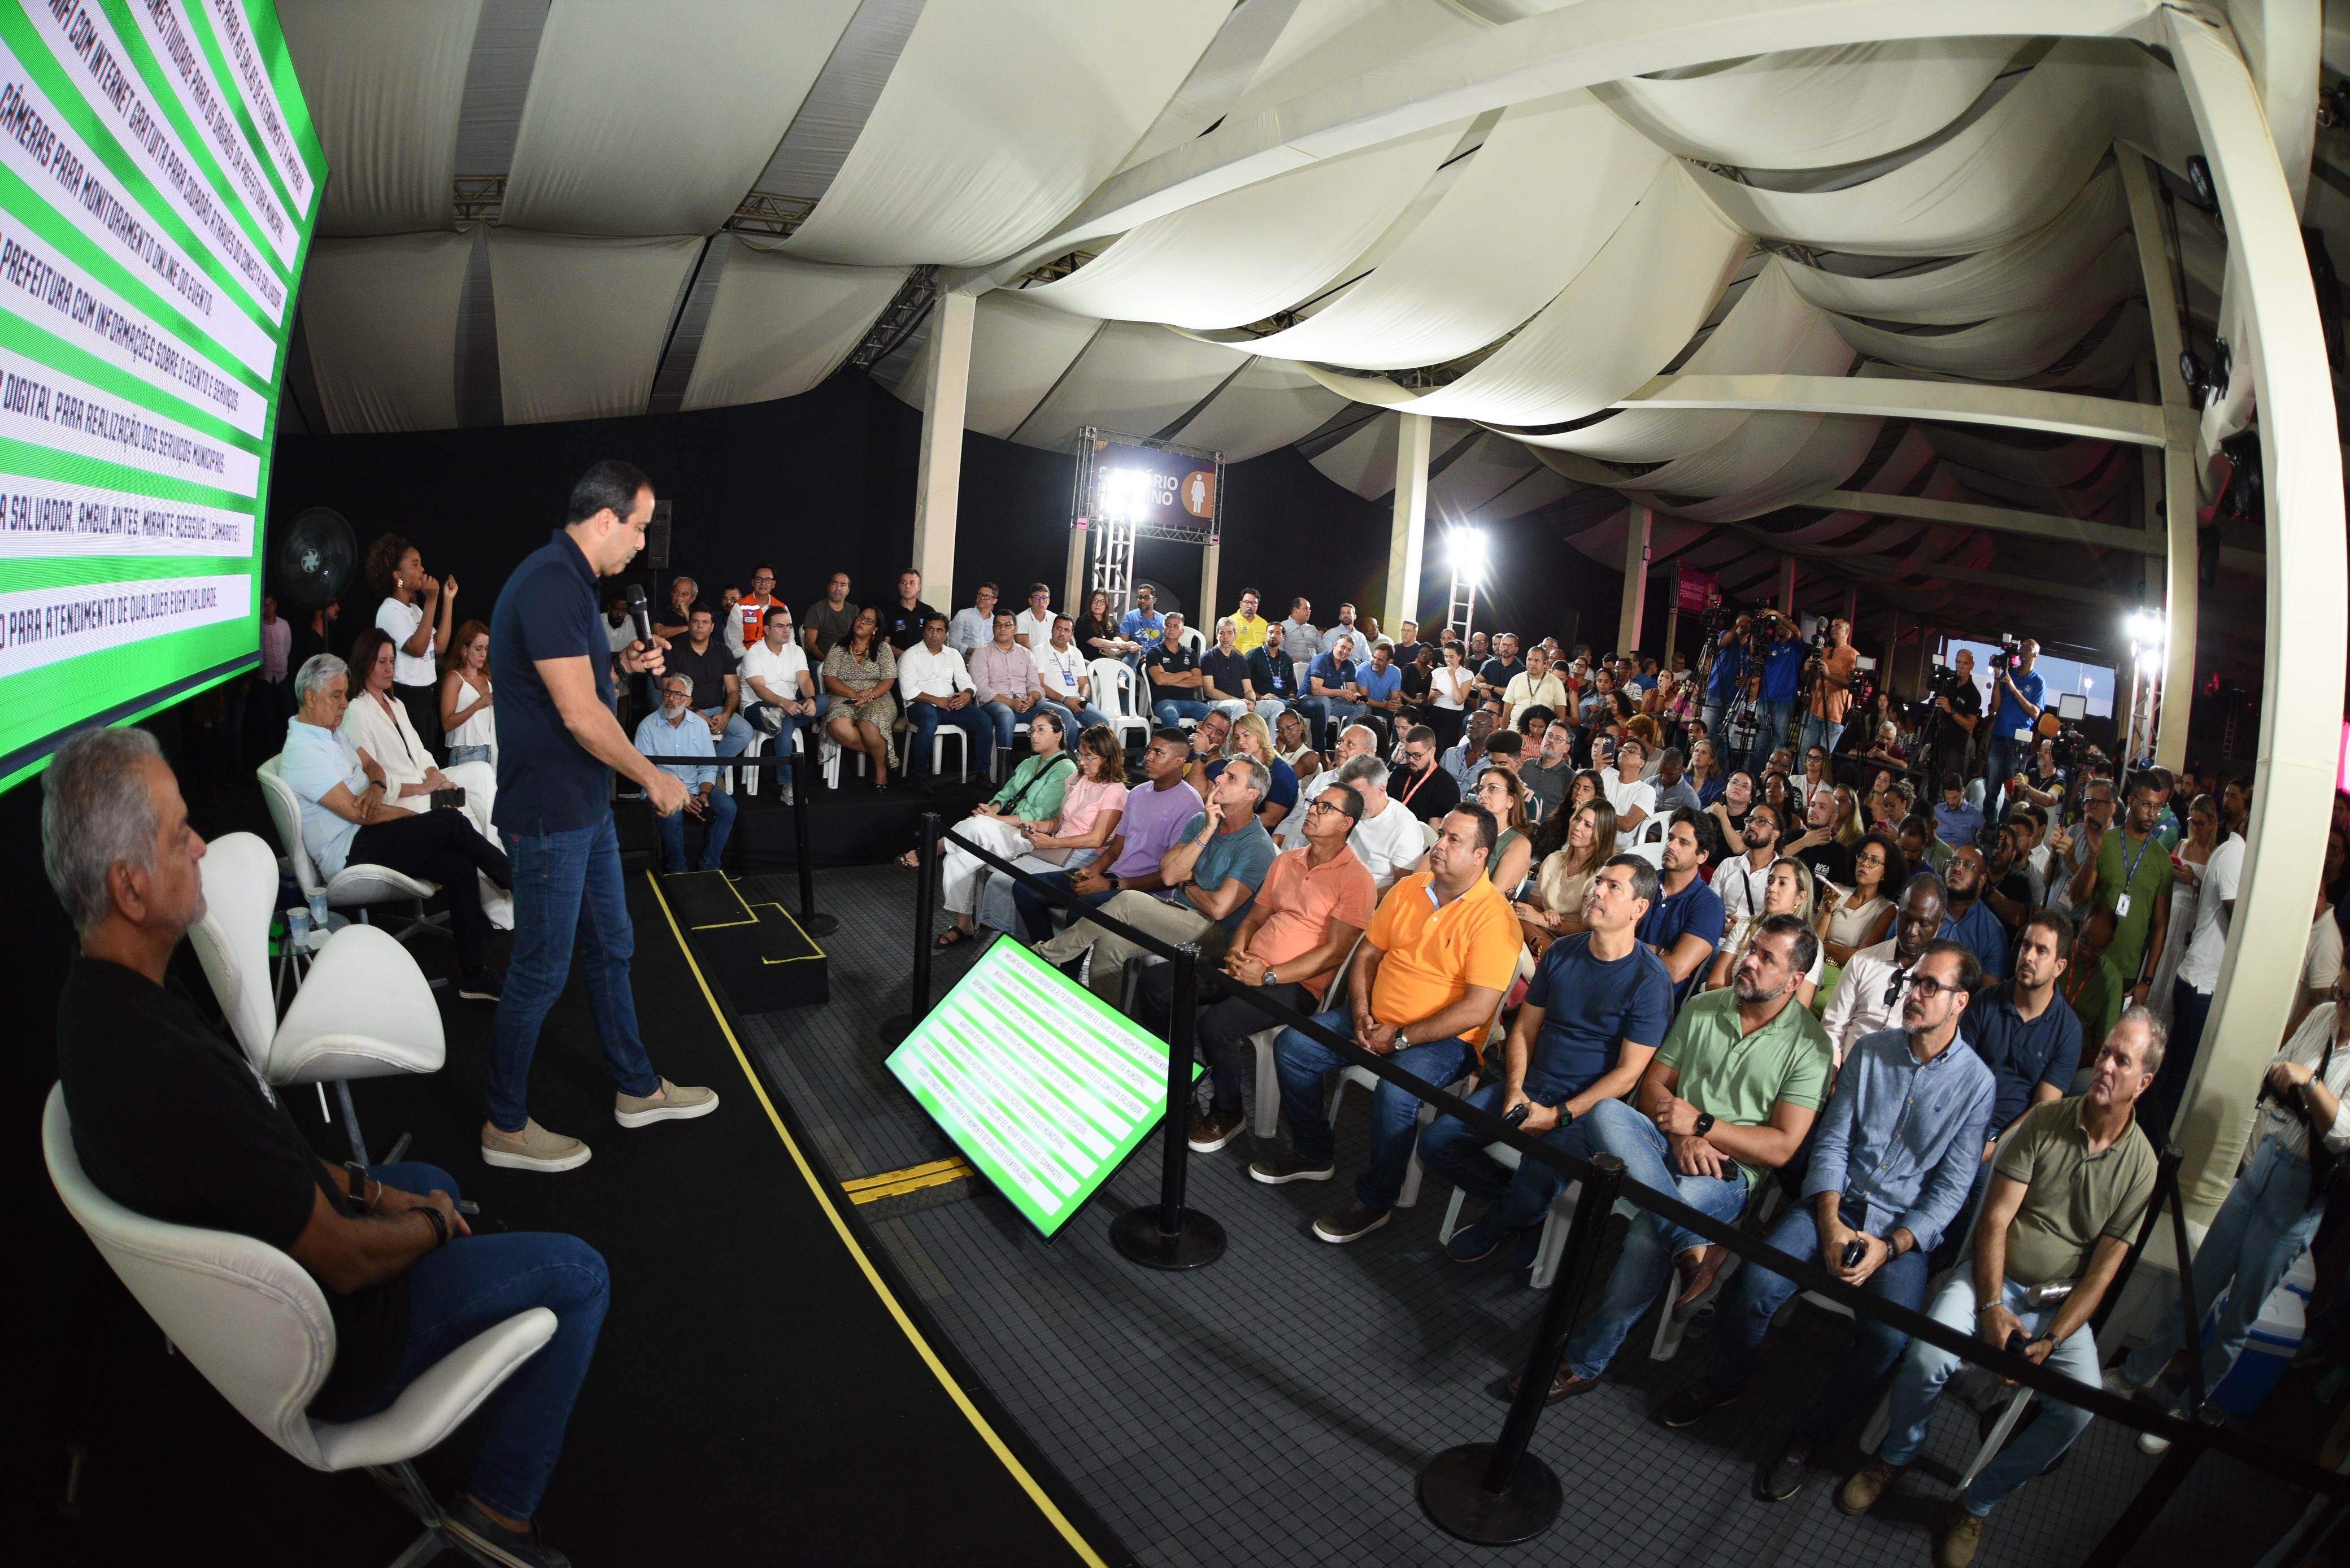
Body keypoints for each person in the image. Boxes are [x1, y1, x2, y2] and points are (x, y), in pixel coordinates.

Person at [44, 728, 607, 1568]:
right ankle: (500, 1516)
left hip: (269, 1285)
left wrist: (384, 1196)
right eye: (178, 835)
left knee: (415, 1175)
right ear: (130, 887)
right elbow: (341, 1259)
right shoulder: (177, 1074)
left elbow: (276, 1168)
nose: (202, 845)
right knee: (578, 1275)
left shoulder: (96, 1008)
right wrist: (428, 1228)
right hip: (330, 1338)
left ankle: (461, 1299)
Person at [1664, 941, 1994, 1504]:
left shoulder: (1976, 1084)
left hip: (1898, 1231)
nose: (1913, 993)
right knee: (1752, 1284)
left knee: (1888, 1336)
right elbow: (1833, 1142)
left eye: (1929, 986)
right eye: (1913, 981)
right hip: (1833, 1202)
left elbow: (1949, 1192)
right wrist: (1829, 1219)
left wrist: (1887, 1246)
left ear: (1959, 1001)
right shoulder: (1870, 1053)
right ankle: (1725, 1378)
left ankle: (1809, 1434)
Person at [1842, 1012, 2162, 1568]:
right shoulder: (2044, 1122)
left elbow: (2101, 1274)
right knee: (1925, 1354)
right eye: (2105, 1051)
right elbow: (1993, 1221)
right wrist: (1991, 1308)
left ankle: (1975, 1503)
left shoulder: (2141, 1167)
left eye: (2121, 1060)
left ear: (2144, 1082)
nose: (2105, 1066)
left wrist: (2051, 1340)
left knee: (2077, 1407)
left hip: (2056, 1306)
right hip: (1990, 1279)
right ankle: (1895, 1454)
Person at [484, 460, 719, 1171]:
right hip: (550, 812)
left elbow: (589, 690)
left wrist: (624, 670)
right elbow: (579, 716)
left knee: (612, 947)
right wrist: (654, 777)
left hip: (582, 807)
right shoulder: (552, 583)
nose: (643, 545)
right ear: (606, 519)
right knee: (538, 973)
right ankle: (503, 1126)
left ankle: (636, 1087)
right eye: (641, 527)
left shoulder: (573, 586)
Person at [1526, 917, 1834, 1400]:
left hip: (1728, 1173)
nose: (1748, 961)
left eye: (1766, 958)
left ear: (1794, 982)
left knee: (1649, 1231)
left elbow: (1782, 1148)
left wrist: (1705, 1127)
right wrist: (1680, 1136)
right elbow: (1652, 1086)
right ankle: (1695, 1249)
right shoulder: (1705, 1006)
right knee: (1605, 1111)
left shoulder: (1811, 1047)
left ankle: (1587, 1360)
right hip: (1665, 1139)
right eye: (1752, 948)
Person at [1250, 805, 1520, 1244]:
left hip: (1444, 1040)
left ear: (1480, 856)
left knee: (1397, 1091)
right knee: (1295, 1047)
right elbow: (1368, 955)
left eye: (1455, 841)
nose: (1440, 846)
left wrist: (1402, 1038)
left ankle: (1376, 1201)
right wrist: (1360, 1011)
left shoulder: (1494, 919)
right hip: (1375, 1016)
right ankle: (1314, 1154)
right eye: (1442, 834)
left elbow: (1476, 1009)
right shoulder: (1412, 887)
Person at [2111, 965, 2350, 1453]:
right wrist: (2299, 1084)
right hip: (2263, 1164)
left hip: (2300, 1194)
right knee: (2199, 1286)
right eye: (2343, 990)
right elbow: (2277, 1068)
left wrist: (2309, 1084)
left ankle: (2186, 1410)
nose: (2342, 1006)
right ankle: (2136, 1373)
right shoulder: (2323, 1014)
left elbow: (2342, 1133)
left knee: (2239, 1314)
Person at [1429, 855, 1675, 1265]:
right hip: (1530, 1084)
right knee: (1439, 1142)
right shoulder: (1563, 952)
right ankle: (1523, 1208)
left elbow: (1627, 1075)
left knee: (1539, 1176)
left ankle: (1500, 1223)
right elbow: (1524, 1030)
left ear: (1639, 909)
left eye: (1613, 887)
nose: (1597, 891)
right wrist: (1515, 1091)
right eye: (1599, 881)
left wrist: (1558, 1115)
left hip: (1586, 1111)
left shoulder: (1650, 981)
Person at [1137, 782, 1376, 1151]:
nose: (1312, 810)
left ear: (1347, 823)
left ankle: (1228, 1111)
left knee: (1216, 1024)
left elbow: (1333, 953)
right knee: (1156, 983)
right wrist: (1236, 952)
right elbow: (1252, 920)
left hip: (1297, 985)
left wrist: (1267, 975)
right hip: (1251, 963)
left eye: (1325, 808)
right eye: (1314, 803)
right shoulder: (1288, 860)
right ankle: (1171, 1085)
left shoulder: (1356, 879)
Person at [284, 654, 513, 999]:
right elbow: (359, 815)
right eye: (336, 696)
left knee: (460, 866)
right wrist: (410, 818)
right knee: (450, 820)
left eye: (346, 695)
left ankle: (474, 975)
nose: (345, 704)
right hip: (349, 853)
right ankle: (511, 877)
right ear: (310, 697)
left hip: (368, 835)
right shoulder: (304, 751)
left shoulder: (330, 734)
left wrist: (376, 788)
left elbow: (373, 766)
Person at [1033, 755, 1277, 1002]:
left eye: (1231, 778)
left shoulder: (1256, 846)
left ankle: (1044, 956)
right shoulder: (1202, 821)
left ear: (1251, 795)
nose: (1219, 779)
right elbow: (1170, 875)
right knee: (1109, 945)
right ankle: (1115, 1021)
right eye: (1224, 772)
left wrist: (1188, 881)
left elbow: (1218, 909)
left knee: (1127, 901)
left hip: (1214, 933)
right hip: (1177, 910)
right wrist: (1207, 832)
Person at [1938, 910, 2083, 1270]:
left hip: (2011, 1139)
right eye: (2026, 946)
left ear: (2059, 966)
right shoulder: (1985, 1002)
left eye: (2041, 951)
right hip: (1960, 1119)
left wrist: (1993, 1147)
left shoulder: (2067, 1031)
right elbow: (1957, 1073)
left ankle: (1943, 1276)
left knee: (1979, 1198)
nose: (2028, 957)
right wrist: (1968, 1136)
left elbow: (2043, 1109)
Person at [341, 628, 506, 910]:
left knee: (481, 773)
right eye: (382, 661)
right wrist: (425, 787)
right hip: (407, 799)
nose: (389, 668)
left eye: (392, 661)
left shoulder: (396, 703)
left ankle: (501, 876)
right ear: (364, 662)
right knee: (464, 811)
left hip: (427, 784)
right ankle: (498, 898)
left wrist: (436, 777)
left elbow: (420, 751)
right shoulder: (357, 712)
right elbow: (370, 777)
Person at [1011, 730, 1198, 941]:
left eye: (1158, 753)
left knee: (1080, 909)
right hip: (1114, 877)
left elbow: (1169, 879)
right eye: (1148, 751)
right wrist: (1092, 871)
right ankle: (1044, 955)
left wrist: (1111, 885)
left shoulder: (1190, 804)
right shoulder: (1138, 793)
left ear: (1179, 761)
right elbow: (1117, 847)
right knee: (1025, 888)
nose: (1148, 758)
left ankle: (1064, 968)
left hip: (1144, 892)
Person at [926, 710, 1076, 949]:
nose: (1033, 736)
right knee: (959, 854)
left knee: (977, 827)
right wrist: (992, 809)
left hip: (1030, 836)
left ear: (1058, 735)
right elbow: (1005, 795)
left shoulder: (1066, 768)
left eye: (1041, 730)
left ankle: (930, 850)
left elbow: (1040, 815)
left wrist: (995, 820)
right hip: (1003, 828)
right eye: (1031, 731)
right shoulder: (1029, 763)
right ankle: (964, 924)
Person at [969, 723, 1127, 939]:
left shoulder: (1115, 791)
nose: (1081, 762)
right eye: (1081, 755)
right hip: (1058, 848)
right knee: (999, 879)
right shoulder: (1077, 779)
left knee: (1012, 884)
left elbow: (1097, 839)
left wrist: (1052, 843)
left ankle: (1038, 945)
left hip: (1084, 856)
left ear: (1108, 757)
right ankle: (1028, 942)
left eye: (1089, 757)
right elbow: (1057, 822)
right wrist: (1037, 826)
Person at [2065, 770, 2174, 1043]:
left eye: (2158, 806)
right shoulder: (2105, 842)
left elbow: (2161, 925)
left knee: (2104, 1044)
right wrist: (2093, 854)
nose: (2153, 814)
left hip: (2126, 971)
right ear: (2132, 800)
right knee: (2067, 1030)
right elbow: (2078, 897)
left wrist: (2146, 980)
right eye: (2147, 804)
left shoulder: (2162, 861)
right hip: (2087, 957)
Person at [2160, 792, 2244, 1121]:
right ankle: (2152, 1150)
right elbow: (2238, 922)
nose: (2195, 828)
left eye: (2201, 822)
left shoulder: (2221, 852)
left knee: (2176, 1072)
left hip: (2194, 962)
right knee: (2178, 1079)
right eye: (2192, 821)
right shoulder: (2233, 856)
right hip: (2198, 978)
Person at [1822, 873, 1948, 1065]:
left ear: (1941, 923)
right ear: (1898, 913)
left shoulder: (1942, 983)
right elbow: (1833, 1028)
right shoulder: (1863, 961)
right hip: (1845, 1071)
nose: (1912, 931)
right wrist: (1833, 1070)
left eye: (1924, 924)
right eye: (1906, 919)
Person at [366, 532, 456, 755]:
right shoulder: (390, 610)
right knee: (415, 761)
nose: (422, 570)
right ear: (398, 575)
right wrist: (432, 600)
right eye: (415, 564)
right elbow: (416, 648)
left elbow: (440, 646)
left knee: (429, 759)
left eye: (421, 564)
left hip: (426, 695)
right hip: (407, 697)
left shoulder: (415, 610)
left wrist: (447, 600)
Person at [636, 675, 736, 874]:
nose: (671, 698)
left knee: (727, 807)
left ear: (689, 701)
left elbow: (708, 766)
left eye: (678, 694)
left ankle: (710, 867)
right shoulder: (647, 727)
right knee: (671, 816)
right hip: (660, 789)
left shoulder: (699, 726)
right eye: (668, 692)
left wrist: (704, 794)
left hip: (694, 785)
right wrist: (683, 797)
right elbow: (647, 772)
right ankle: (677, 869)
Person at [1705, 857, 1824, 1008]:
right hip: (1727, 1008)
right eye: (1770, 881)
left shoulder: (1810, 944)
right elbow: (1716, 983)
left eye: (1782, 883)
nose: (1772, 888)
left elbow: (1800, 1006)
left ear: (1800, 897)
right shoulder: (1745, 926)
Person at [1640, 809, 1725, 1006]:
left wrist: (1621, 946)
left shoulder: (1709, 906)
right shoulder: (1643, 881)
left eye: (1683, 842)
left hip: (1655, 1003)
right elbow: (1603, 935)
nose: (1671, 846)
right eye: (1670, 838)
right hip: (1611, 984)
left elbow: (1676, 970)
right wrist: (1660, 952)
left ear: (1702, 856)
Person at [897, 612, 992, 786]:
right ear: (924, 631)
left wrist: (967, 694)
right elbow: (908, 691)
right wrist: (937, 700)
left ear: (946, 634)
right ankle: (919, 776)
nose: (934, 634)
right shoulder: (911, 655)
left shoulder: (953, 654)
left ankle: (982, 772)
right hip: (920, 705)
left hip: (950, 704)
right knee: (929, 719)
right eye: (930, 629)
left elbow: (966, 681)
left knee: (984, 720)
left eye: (939, 630)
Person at [740, 606, 822, 800]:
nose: (787, 630)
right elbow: (759, 689)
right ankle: (789, 785)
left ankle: (782, 715)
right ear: (767, 630)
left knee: (825, 701)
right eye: (780, 626)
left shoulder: (796, 651)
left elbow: (805, 680)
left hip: (790, 707)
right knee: (784, 723)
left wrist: (811, 700)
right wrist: (784, 703)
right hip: (756, 707)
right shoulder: (754, 653)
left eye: (789, 626)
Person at [1517, 799, 1618, 955]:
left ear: (1602, 833)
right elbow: (1535, 904)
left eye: (1588, 825)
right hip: (1541, 929)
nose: (1577, 827)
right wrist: (1545, 914)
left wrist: (1540, 919)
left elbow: (1584, 929)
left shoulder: (1601, 876)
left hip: (1574, 943)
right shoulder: (1553, 860)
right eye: (1577, 819)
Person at [822, 606, 901, 789]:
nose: (862, 622)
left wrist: (868, 696)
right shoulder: (839, 647)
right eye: (861, 618)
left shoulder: (883, 648)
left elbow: (889, 679)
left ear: (876, 628)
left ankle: (880, 771)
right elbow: (829, 678)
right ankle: (886, 756)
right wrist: (855, 694)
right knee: (837, 725)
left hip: (877, 696)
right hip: (843, 695)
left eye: (869, 621)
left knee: (870, 722)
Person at [1329, 750, 1429, 890]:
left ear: (1381, 789)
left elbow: (1401, 887)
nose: (1352, 803)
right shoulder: (1346, 808)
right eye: (1348, 795)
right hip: (1337, 883)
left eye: (1359, 795)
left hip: (1372, 896)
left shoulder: (1404, 826)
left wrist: (1357, 898)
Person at [665, 604, 753, 760]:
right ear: (689, 625)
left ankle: (710, 772)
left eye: (705, 622)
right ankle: (706, 774)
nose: (700, 626)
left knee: (745, 732)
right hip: (684, 712)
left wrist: (726, 715)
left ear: (712, 627)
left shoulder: (723, 652)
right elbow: (668, 692)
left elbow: (733, 690)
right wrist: (699, 715)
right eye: (696, 622)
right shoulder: (675, 652)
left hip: (717, 710)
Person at [969, 608, 1056, 754]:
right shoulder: (982, 653)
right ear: (993, 629)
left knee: (1060, 713)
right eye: (998, 625)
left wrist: (1032, 699)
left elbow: (1035, 685)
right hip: (995, 704)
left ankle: (1057, 765)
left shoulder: (1026, 653)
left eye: (1008, 625)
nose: (1003, 629)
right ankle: (1004, 769)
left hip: (1025, 703)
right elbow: (981, 689)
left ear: (1016, 629)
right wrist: (1010, 703)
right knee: (1005, 714)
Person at [1202, 713, 1299, 833]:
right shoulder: (1237, 764)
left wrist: (1225, 824)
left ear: (1261, 734)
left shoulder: (1282, 772)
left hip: (1259, 835)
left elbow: (1271, 819)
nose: (1241, 742)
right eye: (1237, 738)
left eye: (1246, 735)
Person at [1982, 639, 2046, 819]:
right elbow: (1995, 706)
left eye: (2029, 648)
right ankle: (1988, 828)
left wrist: (2013, 688)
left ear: (2036, 655)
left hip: (2019, 741)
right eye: (2022, 648)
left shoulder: (2038, 682)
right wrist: (1997, 676)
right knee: (1992, 787)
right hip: (1999, 736)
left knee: (2013, 791)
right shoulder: (2009, 673)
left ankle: (2004, 831)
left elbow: (2035, 713)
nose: (2024, 651)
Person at [1819, 830, 1901, 966]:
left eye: (1874, 860)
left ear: (1886, 872)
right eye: (1862, 856)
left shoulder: (1888, 909)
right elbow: (1815, 942)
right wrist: (1827, 912)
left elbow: (1860, 957)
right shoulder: (1839, 893)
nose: (1865, 863)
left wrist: (1827, 947)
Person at [1032, 614, 1115, 734]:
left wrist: (1083, 698)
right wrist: (1065, 700)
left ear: (1072, 634)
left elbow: (1084, 684)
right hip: (1052, 701)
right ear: (1052, 629)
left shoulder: (1076, 653)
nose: (1062, 633)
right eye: (1058, 628)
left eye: (1066, 630)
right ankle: (1071, 752)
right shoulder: (1040, 650)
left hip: (1076, 700)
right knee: (1070, 726)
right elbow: (1040, 684)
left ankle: (1084, 752)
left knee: (1102, 724)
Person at [1746, 609, 1805, 776]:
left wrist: (1777, 614)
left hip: (1785, 701)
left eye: (1784, 624)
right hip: (1765, 698)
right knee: (1761, 743)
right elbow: (1753, 656)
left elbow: (1797, 632)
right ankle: (1758, 778)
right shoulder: (1770, 646)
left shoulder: (1795, 647)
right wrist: (1755, 634)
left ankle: (1775, 779)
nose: (1781, 627)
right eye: (1778, 624)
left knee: (1779, 744)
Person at [1712, 799, 1782, 939]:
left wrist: (1743, 930)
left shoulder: (1782, 875)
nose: (1752, 825)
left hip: (1753, 944)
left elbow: (1779, 923)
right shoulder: (1728, 865)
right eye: (1750, 820)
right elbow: (1709, 906)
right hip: (1715, 936)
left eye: (1761, 822)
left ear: (1775, 835)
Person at [1938, 844, 2008, 982]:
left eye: (1968, 866)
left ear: (1982, 880)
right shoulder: (1924, 907)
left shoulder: (1993, 932)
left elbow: (1987, 995)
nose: (1958, 868)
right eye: (1955, 862)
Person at [1800, 616, 1859, 759]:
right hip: (1814, 710)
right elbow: (1805, 679)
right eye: (1832, 626)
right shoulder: (1822, 650)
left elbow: (1851, 684)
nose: (1833, 628)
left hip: (1835, 716)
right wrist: (1806, 669)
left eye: (1837, 626)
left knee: (1822, 759)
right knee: (1804, 754)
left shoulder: (1853, 655)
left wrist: (1828, 674)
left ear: (1847, 632)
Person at [440, 620, 496, 768]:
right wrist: (477, 706)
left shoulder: (487, 676)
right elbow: (447, 723)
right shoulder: (455, 679)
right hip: (466, 750)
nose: (483, 654)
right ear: (465, 649)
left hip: (490, 747)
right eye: (478, 649)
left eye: (486, 649)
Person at [1472, 768, 1535, 894]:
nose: (1483, 794)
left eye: (1493, 788)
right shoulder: (1466, 830)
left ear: (1511, 801)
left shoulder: (1518, 844)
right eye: (1481, 789)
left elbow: (1495, 898)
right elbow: (1424, 872)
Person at [1927, 647, 1982, 790]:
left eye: (1965, 663)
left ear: (1972, 665)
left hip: (1957, 748)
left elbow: (1970, 725)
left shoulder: (1974, 694)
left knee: (1952, 786)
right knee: (1932, 782)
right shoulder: (1948, 684)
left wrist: (1950, 710)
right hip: (1940, 742)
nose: (1961, 666)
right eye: (1959, 662)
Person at [1144, 611, 1211, 726]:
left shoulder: (1190, 653)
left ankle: (1202, 743)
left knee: (1215, 717)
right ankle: (1176, 744)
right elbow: (1159, 680)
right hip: (1164, 701)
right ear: (1163, 628)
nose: (1172, 629)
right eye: (1168, 625)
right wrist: (1186, 673)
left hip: (1190, 702)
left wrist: (1168, 678)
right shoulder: (1154, 652)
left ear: (1182, 631)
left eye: (1176, 626)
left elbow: (1199, 681)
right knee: (1170, 714)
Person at [1388, 725, 1461, 824]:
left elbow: (1434, 833)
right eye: (1408, 754)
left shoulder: (1446, 785)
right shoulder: (1398, 774)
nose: (1411, 760)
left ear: (1432, 751)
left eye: (1417, 755)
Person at [1304, 633, 1366, 742]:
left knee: (1360, 707)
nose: (1346, 652)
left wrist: (1356, 696)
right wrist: (1341, 693)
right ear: (1335, 645)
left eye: (1349, 650)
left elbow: (1352, 689)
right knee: (1325, 700)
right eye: (1343, 647)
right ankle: (1319, 744)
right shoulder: (1321, 660)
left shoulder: (1349, 665)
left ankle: (1347, 741)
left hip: (1332, 701)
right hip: (1308, 699)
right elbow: (1316, 690)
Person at [1198, 616, 1258, 724]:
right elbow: (1209, 690)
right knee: (1240, 707)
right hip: (1216, 702)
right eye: (1222, 633)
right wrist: (1238, 701)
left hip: (1241, 702)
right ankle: (1234, 741)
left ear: (1235, 636)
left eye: (1230, 633)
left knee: (1275, 706)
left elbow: (1249, 690)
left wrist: (1252, 702)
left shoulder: (1241, 660)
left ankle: (1269, 741)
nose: (1226, 637)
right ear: (1217, 635)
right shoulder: (1207, 658)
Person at [1699, 614, 1748, 739]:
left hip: (1735, 696)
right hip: (1716, 690)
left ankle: (1721, 759)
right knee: (1707, 732)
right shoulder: (1729, 635)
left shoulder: (1752, 645)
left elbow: (1755, 664)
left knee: (1728, 737)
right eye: (1742, 620)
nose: (1744, 623)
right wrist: (1736, 625)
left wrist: (1747, 680)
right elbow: (1722, 643)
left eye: (1748, 621)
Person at [1244, 620, 1302, 723]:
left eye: (1278, 633)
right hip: (1264, 698)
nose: (1273, 635)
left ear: (1283, 638)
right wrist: (1259, 697)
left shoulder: (1286, 657)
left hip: (1285, 698)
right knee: (1287, 705)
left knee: (1315, 707)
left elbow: (1291, 682)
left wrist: (1292, 696)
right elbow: (1244, 683)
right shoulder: (1254, 656)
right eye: (1270, 632)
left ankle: (1318, 740)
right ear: (1266, 635)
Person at [1519, 719, 1576, 822]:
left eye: (1558, 739)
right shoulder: (1528, 765)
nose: (1551, 741)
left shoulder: (1570, 777)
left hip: (1546, 832)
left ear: (1566, 748)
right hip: (1517, 824)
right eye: (1549, 736)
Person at [727, 564, 785, 660]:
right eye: (759, 579)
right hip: (747, 658)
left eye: (768, 580)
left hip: (776, 658)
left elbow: (789, 640)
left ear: (774, 584)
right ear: (753, 582)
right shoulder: (740, 607)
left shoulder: (782, 608)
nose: (763, 583)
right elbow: (734, 644)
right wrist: (753, 659)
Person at [1356, 639, 1407, 747]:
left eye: (1380, 660)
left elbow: (1395, 697)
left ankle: (1397, 748)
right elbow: (1363, 698)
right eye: (1374, 657)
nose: (1375, 662)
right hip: (1364, 704)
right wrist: (1385, 705)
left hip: (1381, 705)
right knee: (1366, 709)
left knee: (1401, 716)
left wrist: (1398, 706)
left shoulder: (1395, 672)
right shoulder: (1363, 669)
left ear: (1389, 662)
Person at [1427, 642, 1474, 752]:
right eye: (1446, 656)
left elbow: (1459, 700)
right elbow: (1430, 700)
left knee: (1446, 748)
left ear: (1460, 656)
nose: (1448, 660)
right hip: (1436, 712)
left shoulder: (1467, 674)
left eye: (1451, 657)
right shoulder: (1438, 672)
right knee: (1431, 746)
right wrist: (1434, 696)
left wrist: (1452, 675)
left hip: (1453, 715)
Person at [802, 570, 858, 660]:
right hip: (820, 662)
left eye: (843, 585)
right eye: (834, 584)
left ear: (848, 591)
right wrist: (828, 664)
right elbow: (809, 644)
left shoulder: (854, 611)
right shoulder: (816, 610)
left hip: (849, 662)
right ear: (829, 587)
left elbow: (861, 639)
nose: (838, 588)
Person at [1604, 735, 1656, 831]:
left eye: (1632, 750)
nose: (1624, 751)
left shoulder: (1646, 791)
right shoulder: (1606, 773)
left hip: (1618, 846)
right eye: (1623, 749)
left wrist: (1595, 814)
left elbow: (1627, 825)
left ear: (1642, 763)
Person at [882, 568, 940, 651]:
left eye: (912, 583)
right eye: (904, 583)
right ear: (899, 586)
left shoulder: (928, 611)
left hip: (923, 658)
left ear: (919, 587)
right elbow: (885, 645)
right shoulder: (888, 611)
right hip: (897, 658)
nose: (907, 586)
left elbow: (934, 640)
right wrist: (907, 656)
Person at [1441, 707, 1498, 791]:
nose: (1472, 726)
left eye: (1479, 723)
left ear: (1490, 730)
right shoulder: (1450, 753)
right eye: (1470, 722)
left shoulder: (1493, 761)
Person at [1074, 588, 1131, 664]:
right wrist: (1120, 645)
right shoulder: (1083, 621)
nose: (1098, 604)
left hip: (1111, 659)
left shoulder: (1113, 622)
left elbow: (1117, 638)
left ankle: (1123, 675)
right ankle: (1123, 673)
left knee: (1135, 654)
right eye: (1095, 601)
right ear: (1090, 603)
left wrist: (1128, 645)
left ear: (1107, 605)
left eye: (1102, 602)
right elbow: (1096, 642)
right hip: (1091, 660)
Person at [1932, 770, 1985, 849]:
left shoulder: (1975, 814)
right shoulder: (1936, 811)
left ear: (1963, 792)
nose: (1950, 802)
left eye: (1954, 798)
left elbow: (1985, 841)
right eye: (1948, 798)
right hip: (1938, 855)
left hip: (1962, 857)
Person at [1119, 583, 1168, 665]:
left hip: (1155, 656)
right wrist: (1133, 649)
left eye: (1147, 597)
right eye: (1140, 597)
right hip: (1134, 653)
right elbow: (1124, 642)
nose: (1142, 601)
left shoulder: (1163, 620)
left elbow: (1165, 645)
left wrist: (1149, 655)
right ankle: (1123, 677)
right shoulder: (1130, 617)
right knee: (1133, 657)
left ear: (1154, 600)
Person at [947, 581, 999, 656]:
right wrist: (973, 651)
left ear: (995, 601)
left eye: (987, 596)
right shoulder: (963, 615)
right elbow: (954, 643)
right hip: (966, 658)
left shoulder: (996, 621)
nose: (982, 598)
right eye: (980, 595)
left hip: (989, 659)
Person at [1275, 598, 1318, 666]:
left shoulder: (1313, 628)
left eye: (1309, 609)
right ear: (1296, 610)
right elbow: (1278, 649)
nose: (1309, 611)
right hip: (1293, 666)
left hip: (1314, 667)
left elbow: (1322, 649)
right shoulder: (1283, 626)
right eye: (1306, 608)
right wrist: (1291, 660)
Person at [1013, 582, 1056, 650]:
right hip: (1030, 658)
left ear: (1049, 601)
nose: (1041, 601)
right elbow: (1026, 650)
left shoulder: (1055, 619)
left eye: (1044, 598)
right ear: (1030, 601)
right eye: (1037, 598)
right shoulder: (1020, 619)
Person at [1227, 587, 1269, 655]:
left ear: (1257, 605)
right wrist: (1245, 660)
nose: (1250, 606)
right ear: (1241, 604)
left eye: (1254, 603)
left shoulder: (1264, 623)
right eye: (1247, 602)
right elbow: (1229, 647)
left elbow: (1268, 647)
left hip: (1258, 663)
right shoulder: (1230, 622)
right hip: (1237, 661)